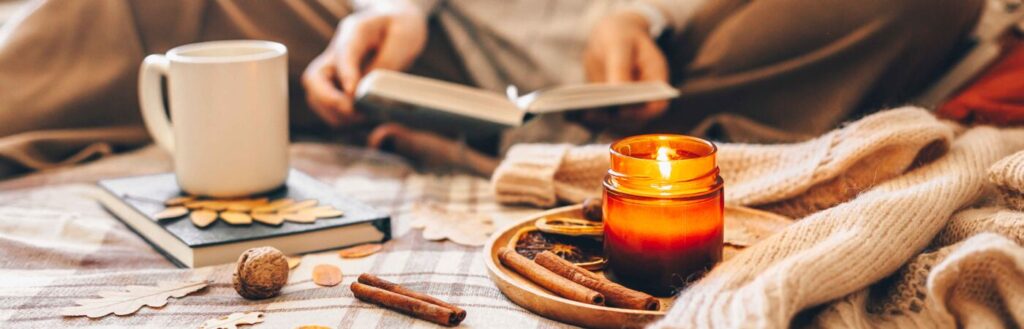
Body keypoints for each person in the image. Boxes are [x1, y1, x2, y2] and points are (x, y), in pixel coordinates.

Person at [0, 0, 984, 178]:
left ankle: (635, 160)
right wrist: (398, 9)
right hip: (432, 50)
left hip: (685, 59)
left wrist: (644, 11)